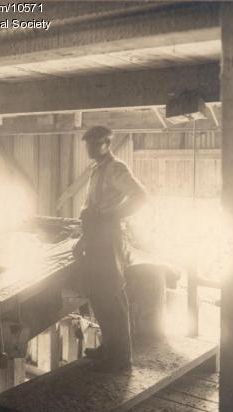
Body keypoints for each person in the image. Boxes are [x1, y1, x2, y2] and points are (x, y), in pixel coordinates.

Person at [73, 126, 147, 372]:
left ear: (107, 144)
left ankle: (121, 357)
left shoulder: (116, 168)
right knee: (99, 295)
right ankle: (110, 347)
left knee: (113, 294)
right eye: (88, 145)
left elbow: (140, 196)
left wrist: (111, 216)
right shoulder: (97, 171)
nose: (90, 149)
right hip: (95, 236)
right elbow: (90, 207)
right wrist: (84, 239)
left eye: (94, 144)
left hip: (108, 237)